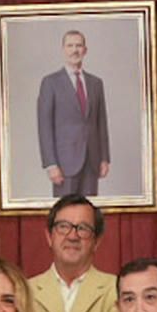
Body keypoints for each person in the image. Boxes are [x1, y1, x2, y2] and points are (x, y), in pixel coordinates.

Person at [28, 194, 124, 312]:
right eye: (63, 227)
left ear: (96, 241)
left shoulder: (117, 289)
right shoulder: (25, 291)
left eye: (83, 228)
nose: (72, 236)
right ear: (49, 237)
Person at [37, 29, 110, 197]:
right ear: (63, 49)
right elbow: (44, 126)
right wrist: (50, 164)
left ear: (85, 50)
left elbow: (101, 123)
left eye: (78, 45)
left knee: (90, 209)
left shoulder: (96, 83)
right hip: (64, 164)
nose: (74, 50)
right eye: (70, 46)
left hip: (92, 160)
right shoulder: (50, 83)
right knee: (66, 210)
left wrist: (104, 158)